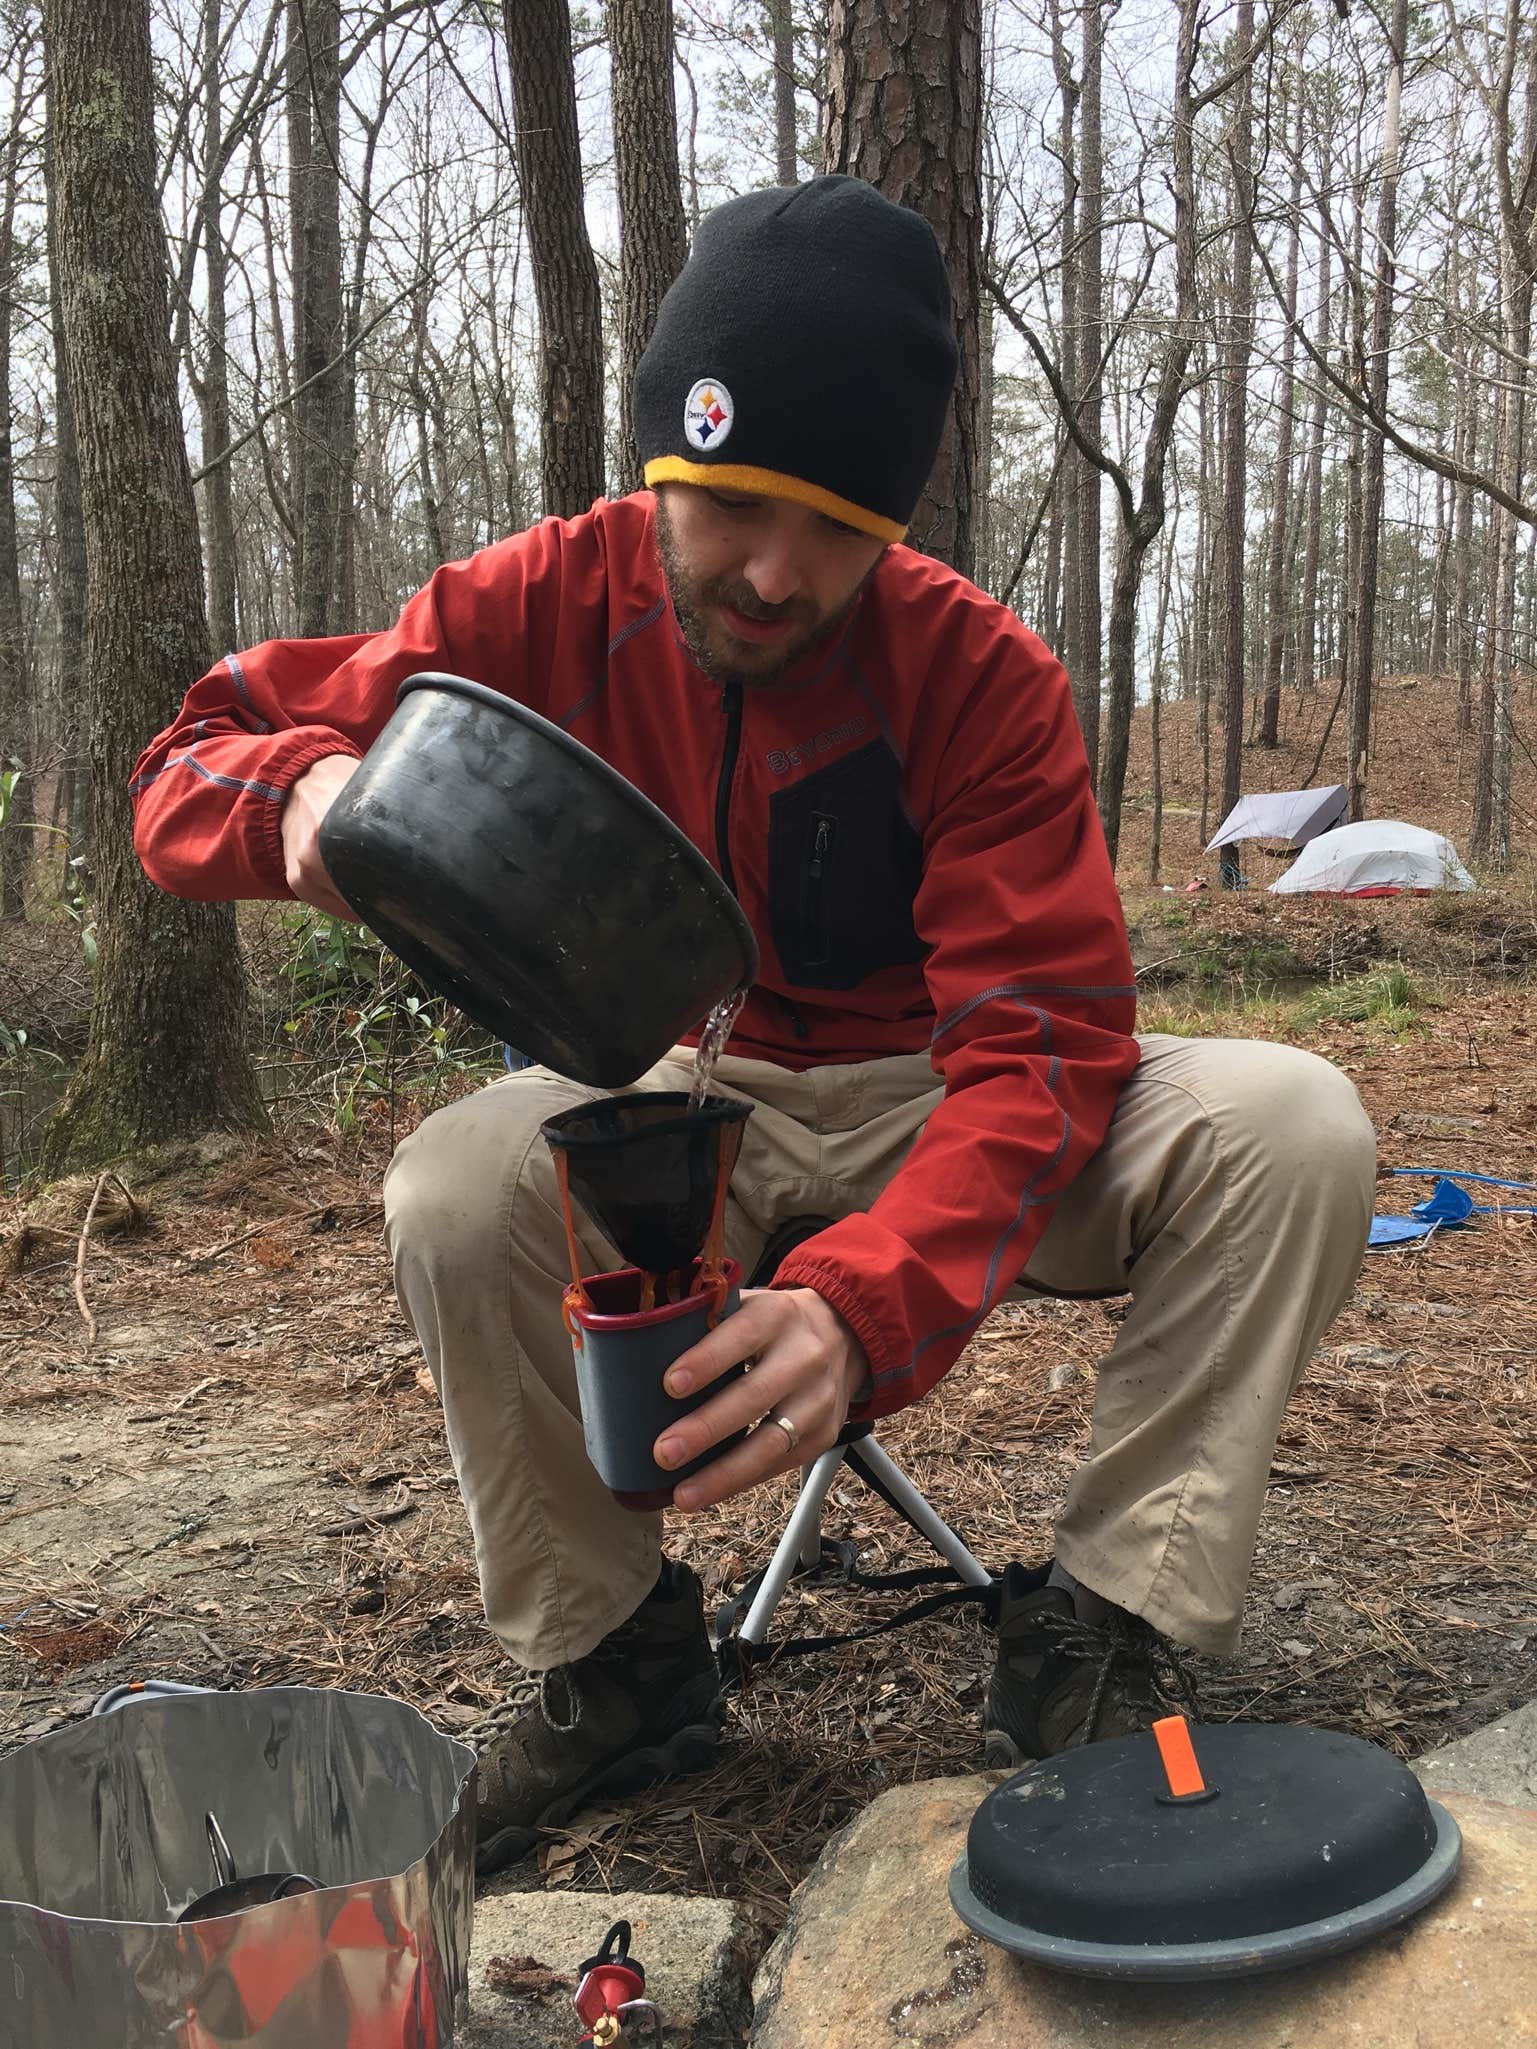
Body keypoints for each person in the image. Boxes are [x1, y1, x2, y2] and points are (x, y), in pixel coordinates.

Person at [133, 175, 1375, 1876]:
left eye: (836, 528)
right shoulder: (537, 609)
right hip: (665, 1102)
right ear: (662, 461)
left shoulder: (977, 677)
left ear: (894, 524)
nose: (777, 573)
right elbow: (188, 752)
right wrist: (301, 798)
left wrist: (863, 1308)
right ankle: (615, 1653)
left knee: (1290, 1124)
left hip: (941, 1094)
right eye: (728, 505)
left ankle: (1099, 1617)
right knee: (447, 1181)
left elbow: (1045, 1044)